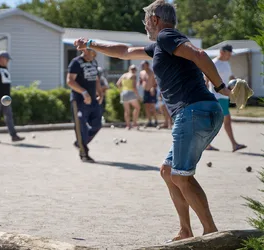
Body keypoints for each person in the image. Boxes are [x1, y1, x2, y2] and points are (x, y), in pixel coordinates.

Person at [73, 0, 231, 241]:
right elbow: (124, 51)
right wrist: (91, 43)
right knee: (168, 171)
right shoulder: (162, 45)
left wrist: (221, 86)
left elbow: (199, 55)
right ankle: (185, 231)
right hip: (201, 111)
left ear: (155, 20)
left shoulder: (167, 36)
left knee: (180, 176)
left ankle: (211, 234)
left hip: (193, 111)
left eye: (146, 20)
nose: (145, 25)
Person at [205, 45, 247, 152]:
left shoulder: (226, 63)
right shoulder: (214, 63)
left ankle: (207, 144)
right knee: (226, 120)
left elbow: (230, 78)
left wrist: (238, 82)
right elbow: (207, 80)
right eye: (228, 53)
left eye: (230, 54)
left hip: (225, 96)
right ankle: (234, 144)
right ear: (222, 52)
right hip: (217, 97)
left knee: (215, 122)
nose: (229, 56)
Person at [67, 48, 103, 163]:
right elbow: (70, 81)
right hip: (79, 101)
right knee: (81, 127)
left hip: (93, 100)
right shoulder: (76, 62)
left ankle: (80, 143)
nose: (94, 56)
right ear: (86, 51)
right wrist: (83, 92)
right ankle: (84, 153)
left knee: (97, 124)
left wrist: (100, 93)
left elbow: (97, 80)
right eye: (93, 53)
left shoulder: (93, 62)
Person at [0, 51, 24, 143]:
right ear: (0, 58)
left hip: (6, 97)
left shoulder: (5, 68)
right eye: (6, 59)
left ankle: (14, 136)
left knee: (9, 116)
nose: (7, 61)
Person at [116, 64, 141, 129]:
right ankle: (134, 123)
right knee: (137, 107)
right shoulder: (133, 75)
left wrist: (121, 91)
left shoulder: (124, 75)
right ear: (135, 70)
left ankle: (128, 125)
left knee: (127, 111)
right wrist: (138, 96)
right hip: (130, 92)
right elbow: (134, 87)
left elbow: (118, 84)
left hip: (123, 93)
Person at [140, 60, 158, 127]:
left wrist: (153, 88)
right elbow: (141, 80)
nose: (142, 66)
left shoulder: (152, 72)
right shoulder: (141, 72)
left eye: (143, 65)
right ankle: (149, 121)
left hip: (151, 90)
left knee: (152, 106)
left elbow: (156, 82)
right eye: (141, 65)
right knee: (146, 106)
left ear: (147, 65)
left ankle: (156, 121)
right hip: (145, 91)